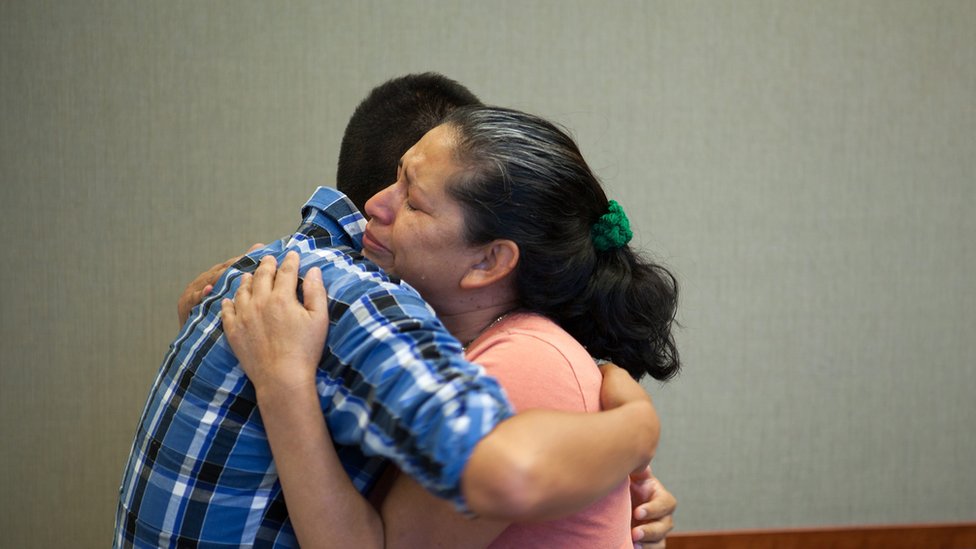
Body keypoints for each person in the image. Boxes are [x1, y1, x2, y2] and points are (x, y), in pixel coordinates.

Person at [114, 87, 666, 548]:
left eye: (414, 201)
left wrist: (283, 384)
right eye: (396, 177)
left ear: (488, 260)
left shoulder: (524, 360)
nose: (373, 205)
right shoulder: (426, 334)